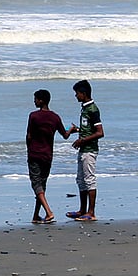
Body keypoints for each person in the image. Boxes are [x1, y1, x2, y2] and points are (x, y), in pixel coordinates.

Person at [26, 89, 69, 223]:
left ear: (41, 100)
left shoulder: (34, 116)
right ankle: (36, 215)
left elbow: (29, 135)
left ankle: (49, 212)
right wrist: (72, 130)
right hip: (47, 155)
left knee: (36, 185)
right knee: (42, 185)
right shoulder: (55, 117)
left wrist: (29, 150)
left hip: (35, 154)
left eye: (36, 99)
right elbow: (65, 135)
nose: (34, 101)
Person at [66, 79, 104, 221]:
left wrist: (82, 140)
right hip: (83, 149)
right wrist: (78, 130)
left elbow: (100, 132)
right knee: (81, 180)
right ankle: (82, 210)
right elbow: (89, 129)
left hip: (89, 150)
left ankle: (91, 212)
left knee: (89, 180)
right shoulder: (85, 108)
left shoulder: (93, 109)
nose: (76, 96)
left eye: (77, 93)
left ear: (84, 93)